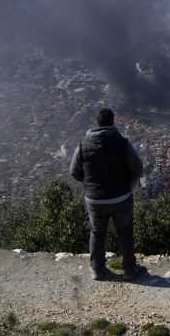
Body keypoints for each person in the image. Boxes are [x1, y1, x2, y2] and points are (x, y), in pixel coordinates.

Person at [70, 108, 144, 281]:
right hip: (121, 197)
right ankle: (129, 270)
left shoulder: (83, 144)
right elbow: (138, 168)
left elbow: (74, 171)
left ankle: (97, 270)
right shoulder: (122, 142)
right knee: (125, 232)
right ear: (112, 122)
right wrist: (129, 184)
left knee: (97, 233)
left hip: (95, 200)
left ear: (97, 123)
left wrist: (90, 184)